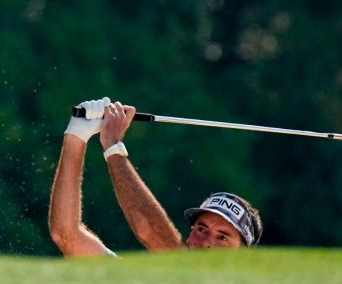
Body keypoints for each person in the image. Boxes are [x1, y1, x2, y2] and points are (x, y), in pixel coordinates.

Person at [48, 97, 262, 257]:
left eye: (222, 237)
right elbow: (65, 234)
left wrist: (113, 146)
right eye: (201, 229)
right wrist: (76, 137)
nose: (206, 242)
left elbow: (148, 230)